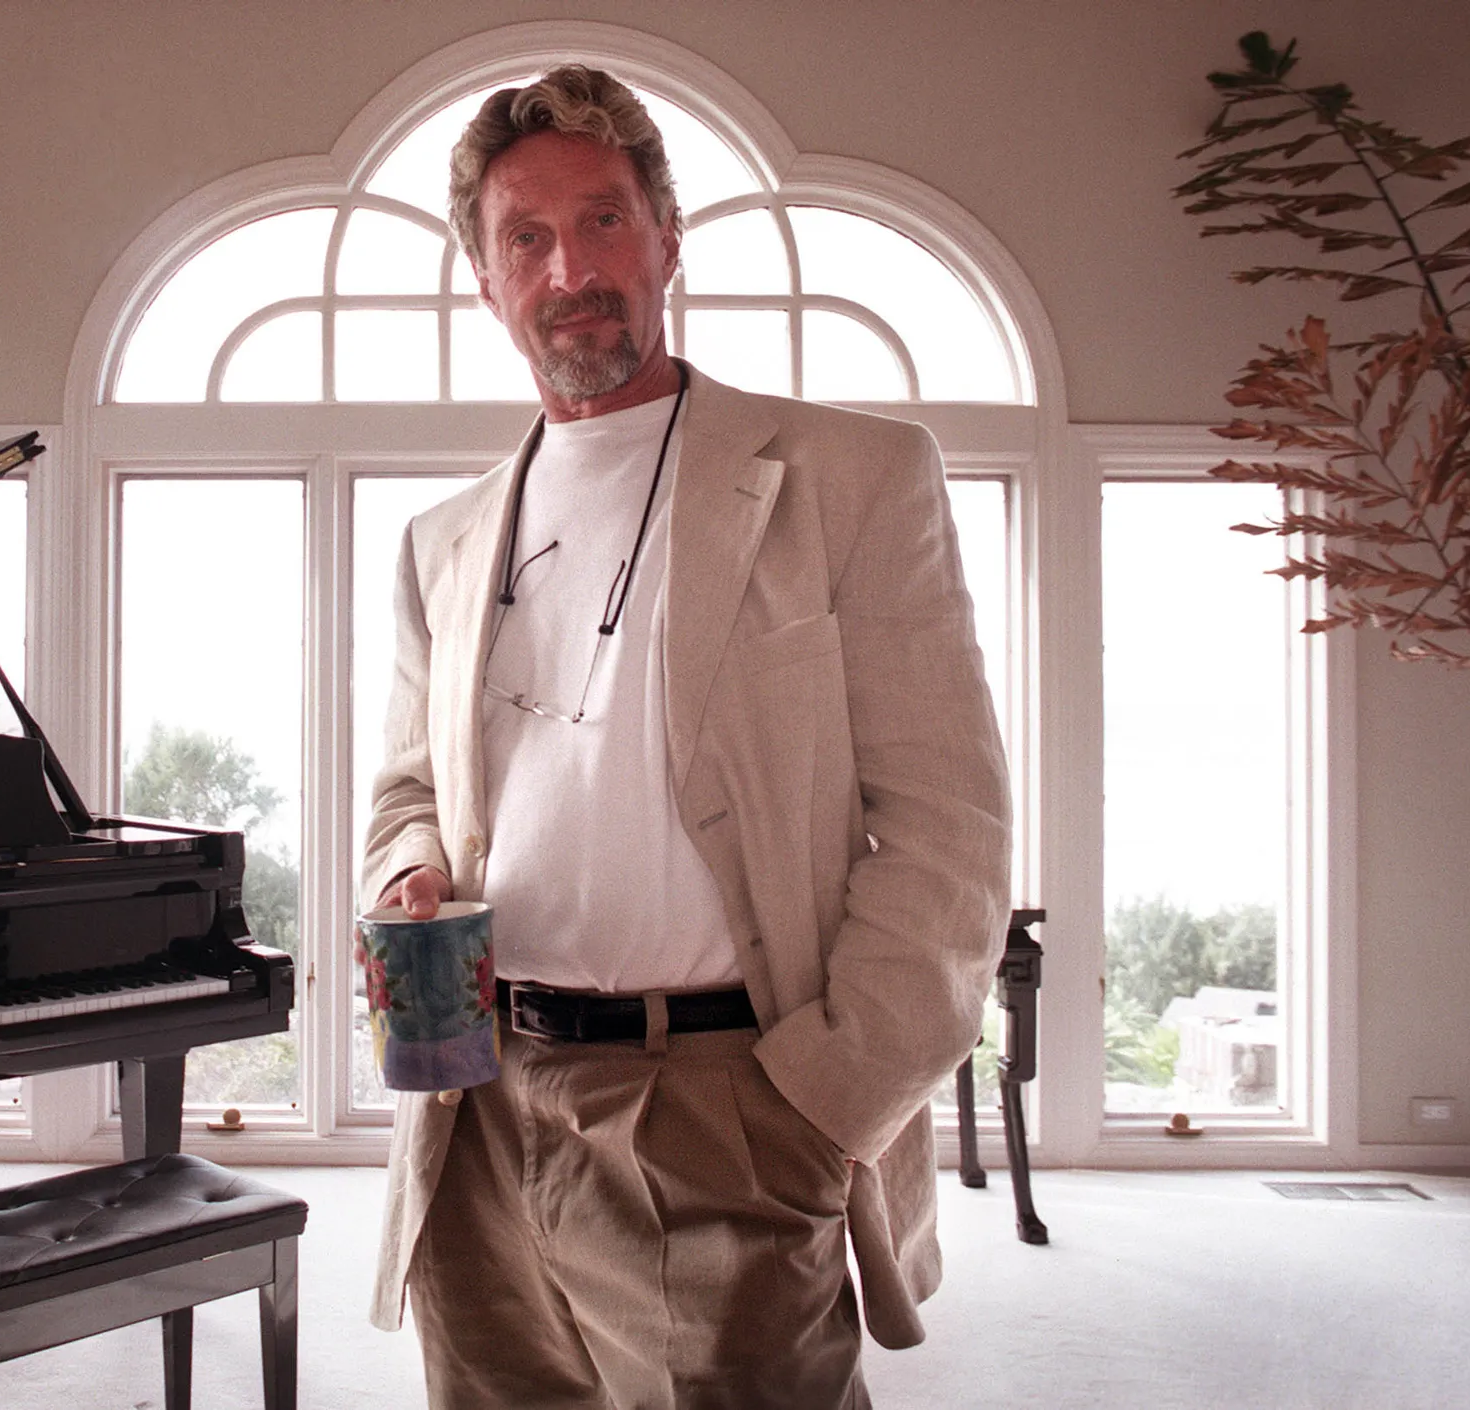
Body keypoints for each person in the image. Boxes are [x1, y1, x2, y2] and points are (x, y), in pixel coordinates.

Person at [360, 64, 1011, 1409]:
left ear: (667, 238)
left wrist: (820, 1103)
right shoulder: (440, 541)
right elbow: (407, 790)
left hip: (724, 1107)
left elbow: (949, 833)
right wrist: (408, 866)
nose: (570, 271)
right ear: (486, 280)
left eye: (603, 221)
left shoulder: (854, 478)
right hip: (476, 1107)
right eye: (526, 239)